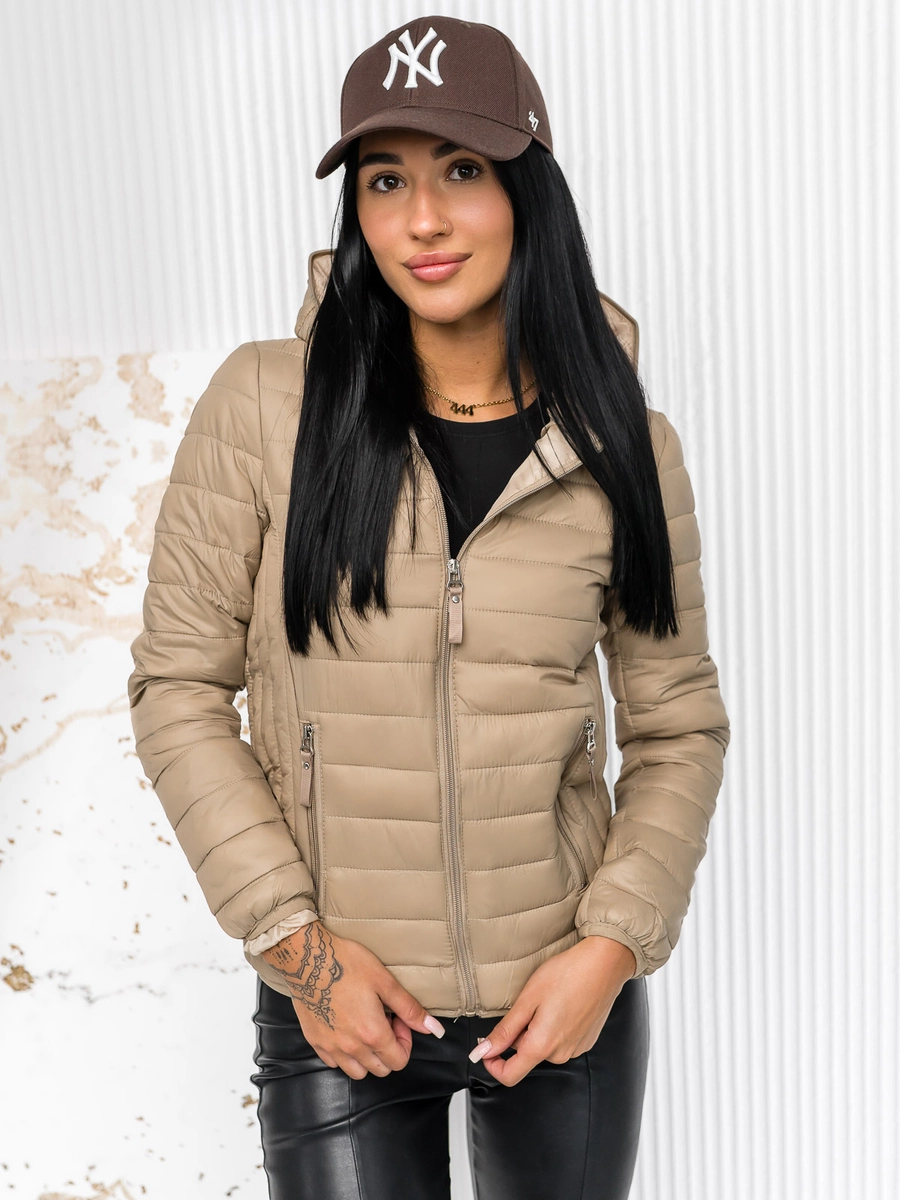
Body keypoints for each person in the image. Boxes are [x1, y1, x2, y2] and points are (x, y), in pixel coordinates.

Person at [127, 14, 730, 1199]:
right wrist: (299, 951)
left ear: (527, 189)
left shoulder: (624, 442)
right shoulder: (264, 409)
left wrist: (612, 948)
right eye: (385, 179)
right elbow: (178, 687)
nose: (423, 220)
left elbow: (678, 725)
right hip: (341, 1007)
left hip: (560, 1004)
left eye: (462, 170)